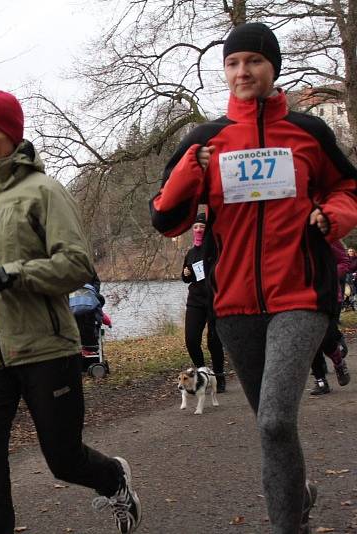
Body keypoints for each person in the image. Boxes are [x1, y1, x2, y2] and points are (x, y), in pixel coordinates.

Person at [150, 23, 357, 534]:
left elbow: (348, 186)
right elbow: (164, 217)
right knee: (274, 430)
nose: (243, 71)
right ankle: (297, 494)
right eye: (233, 63)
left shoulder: (309, 133)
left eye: (254, 62)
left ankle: (289, 525)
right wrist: (188, 173)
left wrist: (332, 215)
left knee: (273, 420)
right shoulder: (206, 139)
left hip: (302, 295)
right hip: (234, 304)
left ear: (273, 68)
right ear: (225, 71)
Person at [0, 90, 141, 534]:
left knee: (63, 459)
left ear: (12, 134)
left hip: (44, 348)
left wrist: (12, 275)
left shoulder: (44, 191)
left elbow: (77, 265)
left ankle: (113, 479)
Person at [180, 211, 226, 392]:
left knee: (213, 341)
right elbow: (186, 276)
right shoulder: (191, 253)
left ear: (208, 230)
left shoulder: (216, 249)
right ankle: (202, 372)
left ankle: (219, 377)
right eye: (196, 227)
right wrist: (186, 274)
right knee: (191, 340)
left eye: (202, 227)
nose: (198, 230)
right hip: (195, 301)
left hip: (214, 299)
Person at [310, 240, 351, 395]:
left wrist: (330, 274)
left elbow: (343, 261)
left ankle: (339, 362)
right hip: (301, 299)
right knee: (309, 341)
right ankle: (320, 381)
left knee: (326, 337)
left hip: (329, 296)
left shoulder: (327, 235)